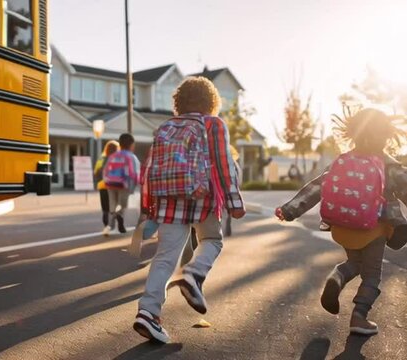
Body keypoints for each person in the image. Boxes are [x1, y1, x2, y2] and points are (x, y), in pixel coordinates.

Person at [133, 76, 245, 344]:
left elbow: (148, 168)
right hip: (201, 197)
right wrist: (234, 202)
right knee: (212, 240)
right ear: (211, 102)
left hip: (168, 199)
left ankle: (147, 312)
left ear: (179, 102)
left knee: (165, 257)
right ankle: (193, 275)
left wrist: (147, 207)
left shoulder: (166, 126)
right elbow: (223, 164)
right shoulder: (213, 124)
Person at [276, 108, 407, 336]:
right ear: (387, 135)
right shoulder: (388, 165)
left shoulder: (343, 160)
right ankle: (360, 316)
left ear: (353, 134)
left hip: (343, 225)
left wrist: (289, 210)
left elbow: (317, 187)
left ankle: (337, 277)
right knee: (372, 273)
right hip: (374, 228)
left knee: (355, 262)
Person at [102, 133, 140, 235]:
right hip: (124, 184)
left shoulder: (113, 155)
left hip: (110, 183)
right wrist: (134, 186)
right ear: (132, 145)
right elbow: (134, 173)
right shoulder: (131, 157)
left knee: (112, 205)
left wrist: (106, 181)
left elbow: (105, 170)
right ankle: (119, 217)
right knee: (122, 205)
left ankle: (110, 226)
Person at [93, 140, 120, 227]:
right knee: (113, 206)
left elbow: (96, 172)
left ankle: (106, 225)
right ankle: (112, 225)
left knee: (105, 208)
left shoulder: (101, 159)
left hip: (102, 186)